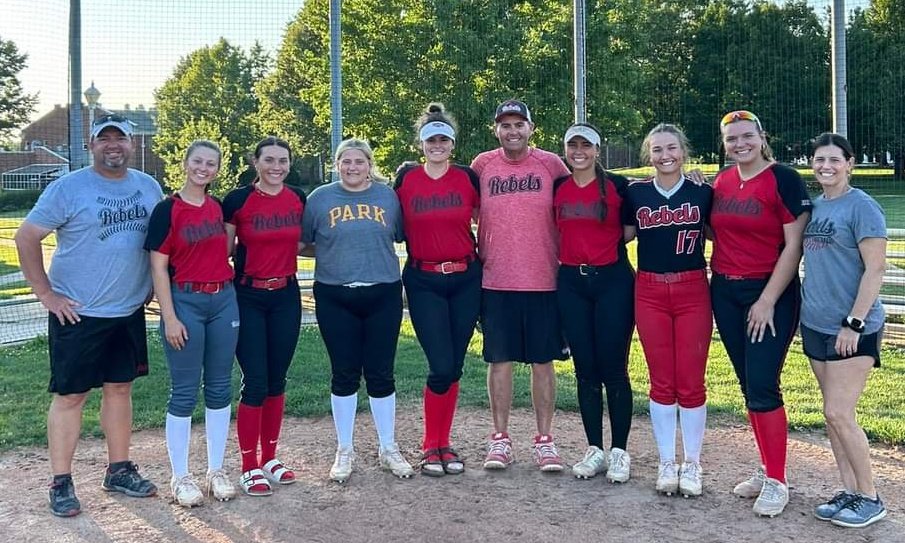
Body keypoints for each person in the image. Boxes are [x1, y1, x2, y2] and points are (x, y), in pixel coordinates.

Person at [14, 114, 162, 517]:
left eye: (121, 138)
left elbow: (157, 243)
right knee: (71, 395)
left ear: (131, 145)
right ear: (91, 145)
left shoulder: (148, 186)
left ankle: (118, 469)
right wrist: (46, 293)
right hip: (78, 312)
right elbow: (26, 236)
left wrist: (152, 284)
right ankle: (60, 481)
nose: (113, 145)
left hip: (127, 309)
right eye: (105, 139)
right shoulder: (69, 187)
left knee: (119, 389)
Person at [710, 110, 811, 517]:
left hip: (769, 293)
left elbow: (794, 245)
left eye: (746, 136)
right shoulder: (722, 180)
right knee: (748, 383)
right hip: (725, 289)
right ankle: (766, 466)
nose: (740, 144)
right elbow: (713, 228)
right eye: (732, 139)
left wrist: (767, 299)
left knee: (764, 383)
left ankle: (778, 480)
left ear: (761, 137)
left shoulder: (782, 178)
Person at [303, 138, 415, 483]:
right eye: (345, 162)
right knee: (344, 372)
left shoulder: (387, 197)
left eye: (359, 162)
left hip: (382, 291)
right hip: (335, 294)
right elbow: (306, 242)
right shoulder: (320, 198)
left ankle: (388, 447)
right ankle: (345, 449)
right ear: (338, 164)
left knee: (381, 372)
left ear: (370, 164)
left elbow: (399, 235)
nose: (352, 168)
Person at [471, 100, 571, 472]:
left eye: (519, 124)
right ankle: (500, 439)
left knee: (543, 362)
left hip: (544, 279)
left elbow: (583, 191)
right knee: (500, 361)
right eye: (505, 125)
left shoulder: (551, 165)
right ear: (495, 129)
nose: (512, 131)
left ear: (532, 127)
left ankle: (545, 440)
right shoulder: (483, 165)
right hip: (496, 280)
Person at [145, 140, 239, 506]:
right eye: (197, 161)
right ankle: (180, 476)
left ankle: (216, 470)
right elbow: (158, 266)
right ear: (185, 164)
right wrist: (169, 317)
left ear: (217, 169)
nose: (203, 168)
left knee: (219, 386)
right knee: (184, 391)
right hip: (185, 301)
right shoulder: (167, 210)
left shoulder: (217, 208)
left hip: (224, 300)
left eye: (211, 163)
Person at [801, 133, 887, 528]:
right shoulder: (815, 206)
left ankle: (870, 496)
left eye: (835, 159)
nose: (826, 167)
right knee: (831, 414)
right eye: (820, 160)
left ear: (850, 163)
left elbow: (876, 269)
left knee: (839, 412)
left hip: (853, 327)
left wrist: (854, 322)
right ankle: (849, 490)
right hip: (816, 323)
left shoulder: (862, 207)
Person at [623, 124, 713, 496]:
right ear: (649, 155)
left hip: (693, 287)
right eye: (657, 150)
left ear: (684, 151)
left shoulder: (704, 190)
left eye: (672, 148)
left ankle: (692, 464)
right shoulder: (636, 192)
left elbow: (723, 232)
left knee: (691, 380)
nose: (665, 156)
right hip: (649, 289)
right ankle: (666, 462)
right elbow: (621, 234)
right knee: (661, 379)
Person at [394, 104, 481, 477]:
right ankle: (431, 444)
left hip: (465, 277)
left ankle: (444, 443)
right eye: (431, 139)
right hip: (423, 278)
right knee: (441, 364)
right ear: (421, 143)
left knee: (455, 364)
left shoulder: (467, 178)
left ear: (452, 143)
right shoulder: (406, 179)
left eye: (444, 139)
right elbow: (391, 223)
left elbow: (489, 219)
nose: (438, 145)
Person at [222, 136, 306, 496]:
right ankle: (248, 465)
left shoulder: (298, 198)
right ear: (255, 162)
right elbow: (224, 249)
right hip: (249, 295)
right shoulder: (238, 200)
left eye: (283, 160)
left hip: (286, 294)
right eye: (269, 160)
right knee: (255, 381)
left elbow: (303, 242)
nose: (276, 167)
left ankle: (270, 458)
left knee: (277, 379)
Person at [553, 124, 635, 482]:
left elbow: (630, 231)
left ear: (597, 149)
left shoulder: (618, 186)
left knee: (613, 368)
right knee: (585, 370)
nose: (579, 151)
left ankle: (619, 451)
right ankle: (594, 449)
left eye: (586, 144)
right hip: (572, 281)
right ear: (566, 149)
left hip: (613, 280)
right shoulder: (559, 186)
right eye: (573, 145)